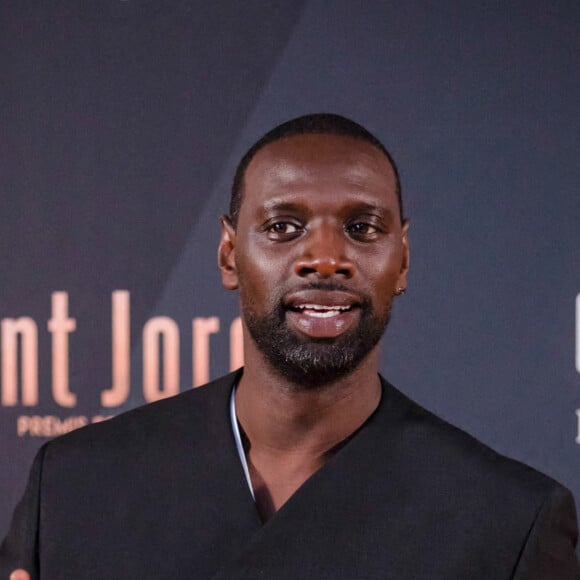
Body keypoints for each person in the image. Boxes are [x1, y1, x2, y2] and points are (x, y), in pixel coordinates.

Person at [1, 114, 578, 579]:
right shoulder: (75, 487)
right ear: (230, 255)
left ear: (402, 259)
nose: (325, 258)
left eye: (362, 228)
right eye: (282, 227)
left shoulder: (509, 522)